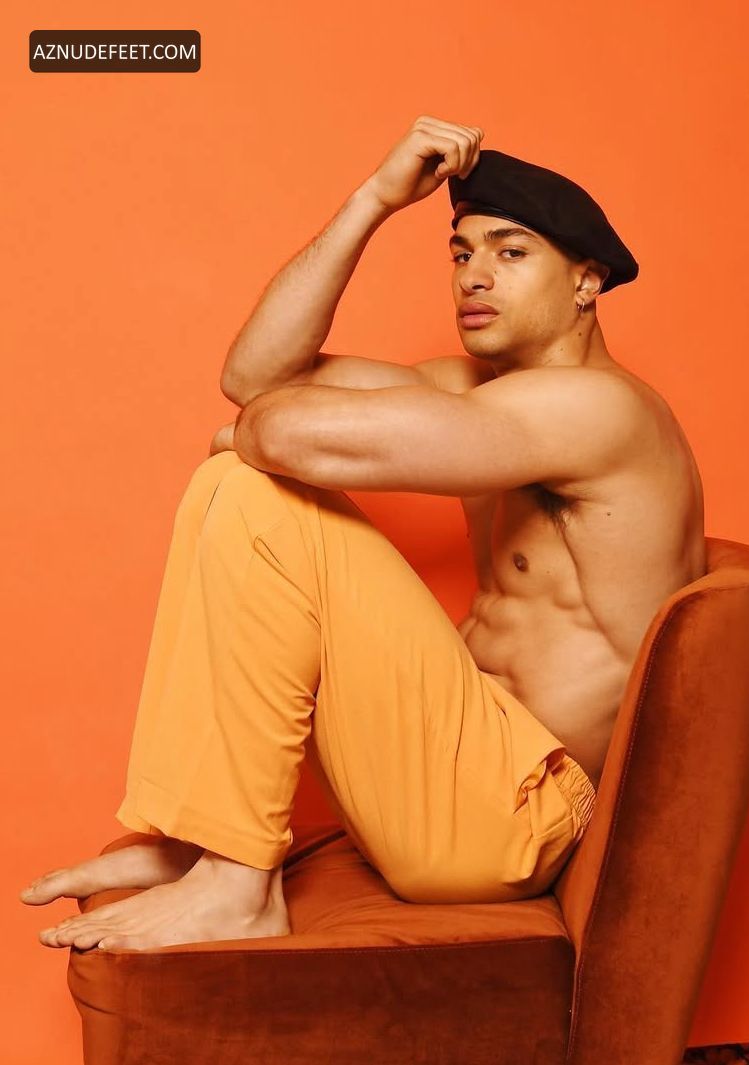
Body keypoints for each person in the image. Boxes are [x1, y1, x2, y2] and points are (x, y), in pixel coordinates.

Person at [20, 115, 706, 952]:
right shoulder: (478, 395)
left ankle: (239, 884)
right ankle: (205, 841)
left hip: (519, 812)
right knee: (239, 478)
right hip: (451, 777)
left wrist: (249, 437)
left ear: (586, 282)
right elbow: (255, 377)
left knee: (252, 488)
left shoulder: (601, 409)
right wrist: (373, 199)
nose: (475, 276)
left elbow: (280, 430)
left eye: (511, 252)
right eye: (461, 252)